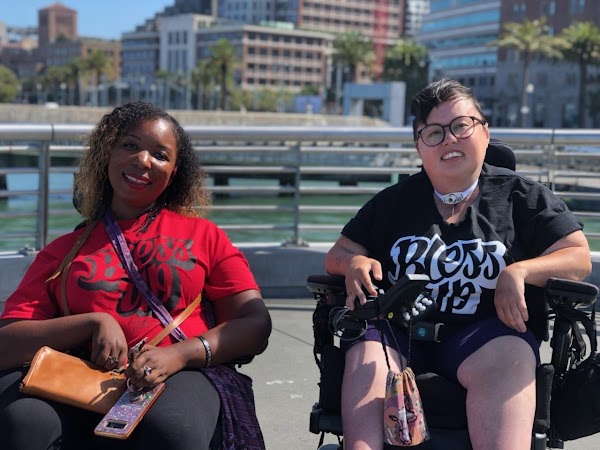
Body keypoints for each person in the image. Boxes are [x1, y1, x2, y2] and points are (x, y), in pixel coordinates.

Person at [325, 79, 591, 450]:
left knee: (511, 355)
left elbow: (577, 256)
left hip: (486, 336)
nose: (449, 139)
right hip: (396, 335)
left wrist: (521, 271)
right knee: (365, 352)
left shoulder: (523, 197)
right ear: (419, 145)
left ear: (484, 132)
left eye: (460, 126)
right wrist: (353, 262)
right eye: (433, 133)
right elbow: (338, 252)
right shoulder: (394, 202)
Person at [0, 102, 272, 450]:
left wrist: (182, 355)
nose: (143, 160)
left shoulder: (205, 236)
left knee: (171, 428)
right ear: (107, 154)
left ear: (173, 172)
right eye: (130, 145)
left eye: (160, 154)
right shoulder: (63, 250)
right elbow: (6, 342)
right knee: (23, 423)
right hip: (80, 376)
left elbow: (255, 323)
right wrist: (90, 323)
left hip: (182, 373)